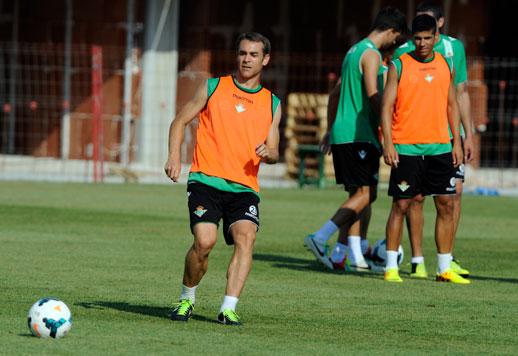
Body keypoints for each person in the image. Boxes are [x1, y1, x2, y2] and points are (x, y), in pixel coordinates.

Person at [164, 32, 282, 325]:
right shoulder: (214, 87)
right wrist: (174, 157)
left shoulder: (272, 103)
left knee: (246, 238)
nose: (246, 59)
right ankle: (186, 299)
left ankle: (228, 308)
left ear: (265, 60)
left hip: (244, 188)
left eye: (254, 55)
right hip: (206, 180)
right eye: (242, 53)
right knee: (204, 242)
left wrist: (269, 153)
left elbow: (276, 151)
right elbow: (179, 121)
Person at [304, 7, 408, 271]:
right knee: (365, 194)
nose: (394, 45)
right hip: (359, 133)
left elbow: (334, 94)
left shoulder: (353, 52)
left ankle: (345, 255)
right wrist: (390, 116)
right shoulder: (371, 54)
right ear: (392, 32)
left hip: (345, 132)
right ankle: (320, 236)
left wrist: (330, 129)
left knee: (360, 195)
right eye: (396, 39)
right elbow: (374, 95)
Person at [381, 14, 469, 284]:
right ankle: (390, 267)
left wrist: (457, 140)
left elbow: (452, 105)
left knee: (446, 204)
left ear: (436, 37)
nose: (421, 43)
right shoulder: (399, 65)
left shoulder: (445, 65)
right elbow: (386, 108)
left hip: (440, 147)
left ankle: (444, 268)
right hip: (406, 148)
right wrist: (388, 142)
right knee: (402, 204)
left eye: (427, 38)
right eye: (417, 38)